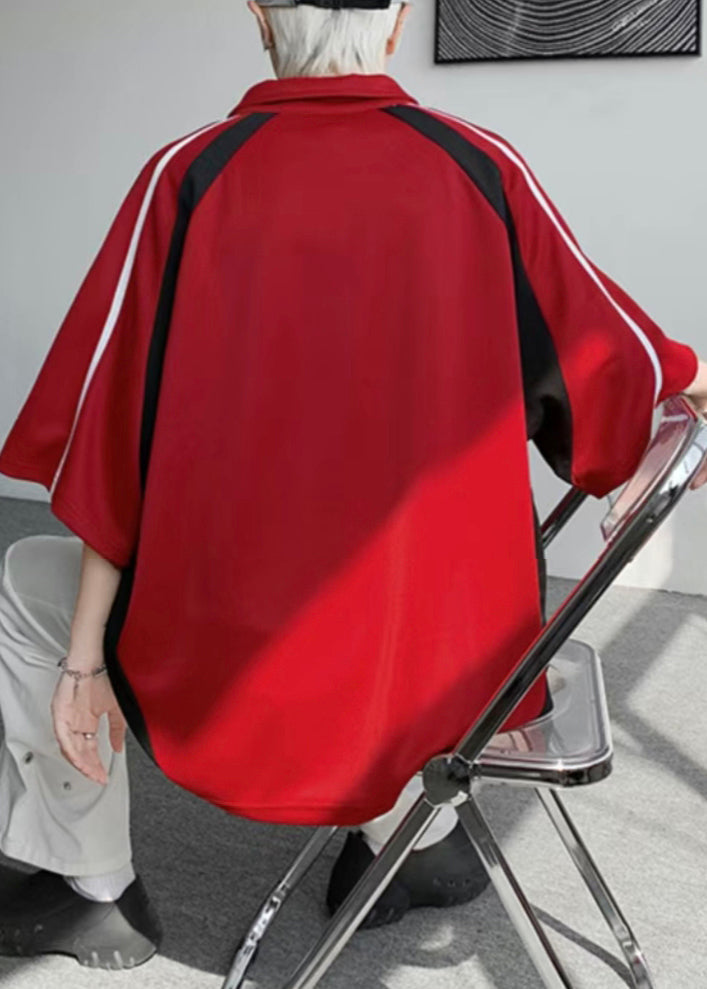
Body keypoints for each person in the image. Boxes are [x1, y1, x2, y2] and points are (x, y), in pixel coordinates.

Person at [1, 0, 707, 970]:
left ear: (259, 16)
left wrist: (85, 662)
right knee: (424, 598)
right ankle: (410, 834)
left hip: (238, 689)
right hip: (449, 686)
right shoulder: (479, 165)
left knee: (24, 579)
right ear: (396, 20)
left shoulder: (186, 175)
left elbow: (106, 450)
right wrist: (680, 389)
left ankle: (90, 886)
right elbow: (615, 367)